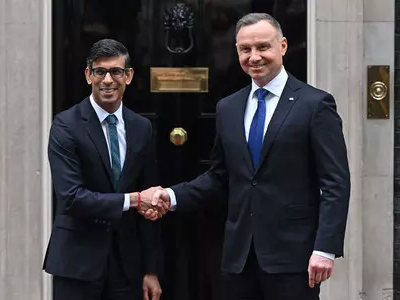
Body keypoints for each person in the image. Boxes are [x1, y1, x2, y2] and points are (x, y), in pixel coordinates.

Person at [146, 13, 351, 300]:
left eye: (262, 47)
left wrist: (324, 249)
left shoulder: (315, 105)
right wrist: (172, 195)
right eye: (245, 49)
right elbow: (219, 176)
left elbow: (335, 183)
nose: (254, 57)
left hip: (294, 258)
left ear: (282, 46)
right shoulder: (228, 107)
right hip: (238, 257)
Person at [43, 38, 163, 300]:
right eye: (100, 71)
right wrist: (132, 200)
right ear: (89, 75)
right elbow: (71, 197)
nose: (108, 80)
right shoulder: (66, 125)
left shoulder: (142, 128)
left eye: (116, 71)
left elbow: (149, 209)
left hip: (127, 265)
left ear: (128, 76)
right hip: (78, 262)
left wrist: (150, 270)